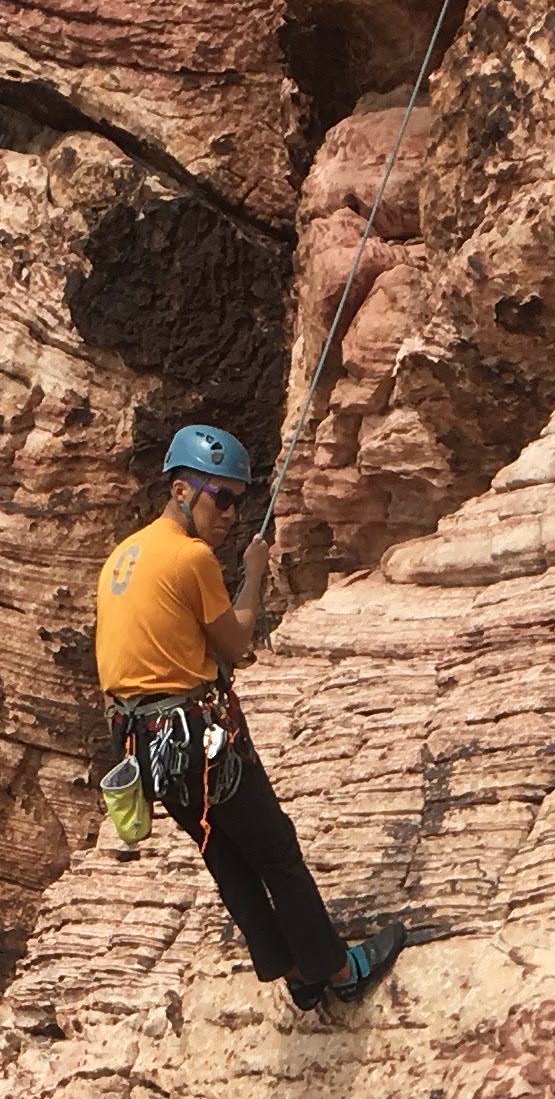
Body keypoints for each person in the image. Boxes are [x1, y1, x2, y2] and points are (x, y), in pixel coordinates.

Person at [91, 422, 401, 1013]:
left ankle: (294, 974)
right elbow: (235, 643)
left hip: (145, 748)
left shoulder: (122, 556)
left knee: (225, 856)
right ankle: (338, 971)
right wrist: (254, 573)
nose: (232, 512)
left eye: (239, 500)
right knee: (275, 850)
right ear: (183, 491)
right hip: (199, 741)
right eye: (223, 497)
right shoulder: (191, 557)